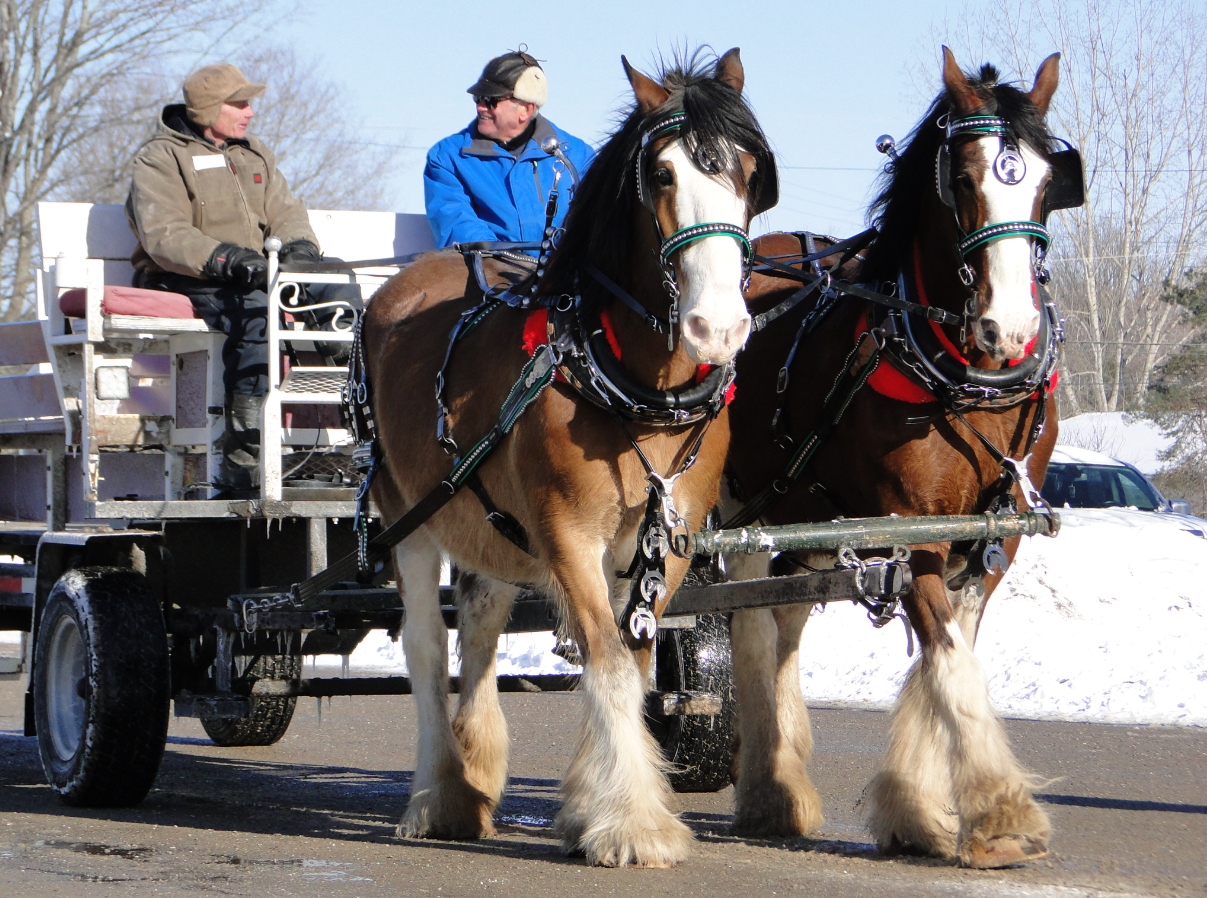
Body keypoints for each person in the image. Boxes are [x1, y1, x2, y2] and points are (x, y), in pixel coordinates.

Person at [125, 63, 324, 495]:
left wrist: (301, 249)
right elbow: (164, 236)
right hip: (189, 277)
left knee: (336, 294)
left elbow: (287, 212)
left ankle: (336, 436)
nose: (250, 112)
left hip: (256, 272)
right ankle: (245, 458)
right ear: (210, 108)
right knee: (257, 316)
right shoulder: (161, 157)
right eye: (240, 103)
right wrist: (226, 258)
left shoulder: (254, 153)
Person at [424, 48, 594, 248]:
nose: (480, 107)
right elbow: (458, 224)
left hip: (562, 275)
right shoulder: (448, 157)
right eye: (478, 97)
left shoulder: (579, 157)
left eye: (490, 100)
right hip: (490, 275)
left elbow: (596, 223)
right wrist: (509, 265)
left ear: (526, 109)